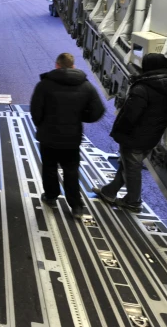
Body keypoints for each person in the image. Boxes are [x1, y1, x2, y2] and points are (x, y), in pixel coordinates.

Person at [93, 53, 167, 212]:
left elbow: (130, 115)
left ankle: (133, 202)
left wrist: (120, 132)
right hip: (153, 134)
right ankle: (109, 192)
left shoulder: (143, 88)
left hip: (135, 136)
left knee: (132, 169)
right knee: (128, 165)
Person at [31, 52, 105, 218]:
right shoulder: (86, 85)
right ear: (73, 66)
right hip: (72, 139)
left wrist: (42, 126)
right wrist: (80, 117)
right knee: (71, 171)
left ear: (57, 65)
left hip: (48, 138)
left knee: (49, 169)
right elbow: (98, 111)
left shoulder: (44, 85)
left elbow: (35, 111)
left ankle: (51, 197)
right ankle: (76, 206)